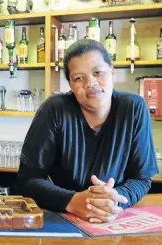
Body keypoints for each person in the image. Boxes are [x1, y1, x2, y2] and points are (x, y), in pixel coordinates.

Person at [17, 39, 159, 223]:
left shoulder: (134, 108)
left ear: (112, 73)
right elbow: (27, 180)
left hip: (115, 217)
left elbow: (141, 178)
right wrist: (72, 201)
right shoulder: (54, 110)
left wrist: (114, 199)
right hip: (65, 216)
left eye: (98, 72)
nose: (90, 83)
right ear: (70, 85)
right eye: (79, 78)